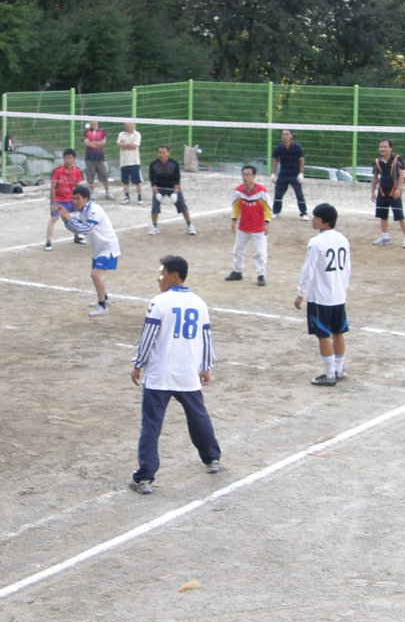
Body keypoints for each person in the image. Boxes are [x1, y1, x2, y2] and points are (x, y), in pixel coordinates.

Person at [128, 254, 220, 494]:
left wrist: (138, 363)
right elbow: (207, 337)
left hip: (160, 374)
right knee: (198, 416)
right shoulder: (199, 303)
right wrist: (206, 366)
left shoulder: (159, 302)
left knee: (151, 424)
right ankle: (212, 458)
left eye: (162, 273)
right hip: (188, 372)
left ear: (174, 276)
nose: (159, 278)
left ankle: (145, 476)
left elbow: (148, 337)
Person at [294, 203, 352, 386]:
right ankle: (339, 368)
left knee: (323, 335)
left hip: (320, 297)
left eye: (316, 217)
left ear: (324, 221)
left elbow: (308, 270)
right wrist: (343, 289)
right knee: (338, 332)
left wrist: (300, 294)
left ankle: (329, 374)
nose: (313, 220)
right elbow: (347, 268)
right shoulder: (343, 239)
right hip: (338, 295)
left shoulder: (316, 242)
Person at [59, 184, 121, 316]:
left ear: (85, 198)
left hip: (107, 247)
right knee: (95, 275)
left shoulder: (94, 210)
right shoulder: (82, 212)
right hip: (98, 248)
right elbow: (75, 227)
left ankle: (102, 306)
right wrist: (66, 220)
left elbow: (85, 229)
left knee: (95, 275)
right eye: (73, 199)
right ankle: (104, 299)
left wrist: (69, 219)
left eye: (77, 198)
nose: (74, 202)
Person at [226, 165, 270, 286]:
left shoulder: (261, 192)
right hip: (244, 226)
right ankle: (237, 271)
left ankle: (261, 275)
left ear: (254, 176)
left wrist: (266, 223)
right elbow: (236, 207)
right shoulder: (239, 191)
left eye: (248, 175)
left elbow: (267, 208)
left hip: (258, 227)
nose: (245, 177)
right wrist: (234, 220)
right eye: (244, 174)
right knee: (238, 250)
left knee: (260, 252)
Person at [370, 138, 405, 249]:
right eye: (381, 147)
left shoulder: (397, 159)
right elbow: (374, 178)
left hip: (394, 191)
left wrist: (399, 189)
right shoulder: (377, 162)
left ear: (390, 148)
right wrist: (372, 192)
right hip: (382, 191)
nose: (382, 149)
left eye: (385, 147)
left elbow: (401, 174)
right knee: (382, 215)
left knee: (399, 215)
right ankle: (385, 237)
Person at [147, 145, 196, 236]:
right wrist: (156, 193)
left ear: (168, 153)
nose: (162, 155)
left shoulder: (174, 164)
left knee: (182, 206)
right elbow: (152, 181)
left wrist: (175, 193)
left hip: (172, 188)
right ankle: (154, 226)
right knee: (155, 207)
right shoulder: (153, 165)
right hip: (159, 188)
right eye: (160, 153)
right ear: (157, 154)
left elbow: (177, 179)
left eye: (164, 153)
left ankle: (190, 225)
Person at [45, 149, 84, 250]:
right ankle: (48, 241)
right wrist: (53, 204)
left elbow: (78, 188)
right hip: (58, 199)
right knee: (54, 218)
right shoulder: (57, 171)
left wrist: (78, 201)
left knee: (76, 217)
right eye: (66, 158)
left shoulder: (78, 171)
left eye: (70, 157)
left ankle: (77, 236)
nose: (67, 160)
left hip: (70, 199)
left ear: (74, 159)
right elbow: (53, 187)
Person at [269, 129, 307, 219]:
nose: (284, 136)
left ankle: (303, 213)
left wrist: (301, 173)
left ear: (291, 136)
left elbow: (301, 160)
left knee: (299, 194)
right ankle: (276, 212)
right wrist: (273, 174)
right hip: (283, 174)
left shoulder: (297, 147)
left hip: (295, 174)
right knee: (278, 194)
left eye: (286, 134)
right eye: (283, 134)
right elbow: (274, 160)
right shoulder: (279, 147)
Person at [82, 119, 112, 199]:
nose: (91, 122)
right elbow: (87, 143)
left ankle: (107, 192)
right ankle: (92, 193)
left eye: (93, 121)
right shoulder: (86, 132)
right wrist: (97, 144)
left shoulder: (102, 131)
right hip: (89, 157)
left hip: (99, 157)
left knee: (104, 174)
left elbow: (103, 142)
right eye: (90, 121)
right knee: (90, 176)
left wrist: (93, 144)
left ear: (97, 121)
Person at [116, 120, 143, 204]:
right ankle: (126, 196)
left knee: (137, 181)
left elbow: (134, 146)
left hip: (134, 161)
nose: (127, 126)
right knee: (125, 181)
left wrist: (124, 145)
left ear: (132, 125)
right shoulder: (121, 134)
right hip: (124, 162)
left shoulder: (137, 134)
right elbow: (119, 145)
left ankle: (139, 197)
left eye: (129, 124)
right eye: (126, 124)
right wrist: (128, 145)